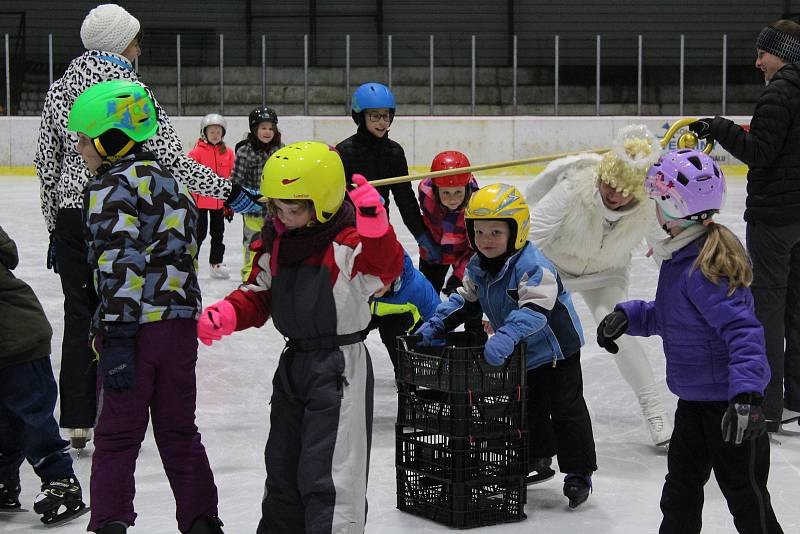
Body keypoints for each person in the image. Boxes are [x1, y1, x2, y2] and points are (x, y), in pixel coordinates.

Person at [33, 3, 262, 449]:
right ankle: (125, 408)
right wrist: (228, 191)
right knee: (127, 308)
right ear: (121, 43)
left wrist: (52, 228)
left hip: (69, 214)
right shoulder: (130, 88)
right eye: (135, 39)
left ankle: (78, 420)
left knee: (80, 315)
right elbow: (173, 161)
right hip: (124, 210)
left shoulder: (60, 88)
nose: (140, 48)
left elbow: (47, 163)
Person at [196, 141, 404, 533]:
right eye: (278, 208)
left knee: (329, 470)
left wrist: (376, 226)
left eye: (296, 209)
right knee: (284, 466)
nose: (285, 217)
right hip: (294, 367)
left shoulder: (348, 243)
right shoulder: (275, 243)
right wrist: (227, 313)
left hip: (338, 367)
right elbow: (259, 293)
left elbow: (385, 269)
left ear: (323, 201)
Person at [597, 148, 783, 534]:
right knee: (680, 490)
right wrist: (630, 315)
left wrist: (747, 396)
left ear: (676, 206)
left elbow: (744, 332)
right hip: (694, 405)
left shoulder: (705, 266)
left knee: (746, 497)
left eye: (659, 201)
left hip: (730, 410)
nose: (654, 210)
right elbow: (674, 317)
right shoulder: (681, 257)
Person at [67, 80, 223, 534]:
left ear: (109, 139)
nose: (79, 148)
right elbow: (185, 248)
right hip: (177, 328)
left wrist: (115, 337)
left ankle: (111, 522)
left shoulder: (109, 186)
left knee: (116, 437)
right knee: (179, 431)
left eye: (83, 139)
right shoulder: (172, 182)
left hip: (132, 330)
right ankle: (202, 522)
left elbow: (119, 265)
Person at [415, 183, 597, 509]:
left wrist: (506, 336)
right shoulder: (478, 265)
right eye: (480, 231)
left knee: (566, 409)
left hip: (557, 350)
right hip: (522, 352)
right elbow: (465, 300)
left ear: (517, 231)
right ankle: (538, 457)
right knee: (529, 408)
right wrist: (436, 323)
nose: (487, 240)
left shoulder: (533, 265)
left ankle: (578, 472)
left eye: (496, 232)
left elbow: (534, 312)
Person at [526, 124, 672, 448]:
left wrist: (686, 292)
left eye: (624, 189)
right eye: (609, 183)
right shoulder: (573, 189)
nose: (613, 193)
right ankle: (520, 409)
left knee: (615, 325)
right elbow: (531, 239)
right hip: (555, 267)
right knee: (529, 326)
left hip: (607, 272)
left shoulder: (650, 207)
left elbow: (666, 252)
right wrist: (519, 294)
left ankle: (653, 408)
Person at [688, 19, 800, 432]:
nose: (757, 63)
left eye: (762, 53)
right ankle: (797, 399)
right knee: (797, 309)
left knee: (768, 308)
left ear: (782, 53)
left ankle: (767, 406)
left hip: (775, 218)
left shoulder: (779, 92)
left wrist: (719, 127)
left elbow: (761, 152)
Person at [0, 225, 88, 527]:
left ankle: (63, 481)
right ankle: (4, 482)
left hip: (20, 340)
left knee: (32, 418)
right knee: (5, 423)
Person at [336, 82, 439, 260]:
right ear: (360, 117)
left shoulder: (394, 152)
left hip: (379, 228)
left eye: (385, 116)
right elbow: (337, 199)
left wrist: (421, 235)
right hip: (348, 233)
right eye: (374, 116)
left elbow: (405, 198)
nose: (382, 122)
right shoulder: (345, 151)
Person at [230, 106, 284, 282]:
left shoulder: (280, 149)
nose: (267, 132)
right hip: (254, 210)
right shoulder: (245, 151)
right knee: (253, 245)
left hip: (277, 210)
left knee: (277, 245)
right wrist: (235, 199)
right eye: (263, 128)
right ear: (254, 129)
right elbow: (236, 181)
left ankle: (275, 277)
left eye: (270, 128)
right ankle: (250, 278)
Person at [369, 251, 441, 370]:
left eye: (382, 278)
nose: (376, 284)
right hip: (366, 315)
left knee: (390, 330)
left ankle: (405, 375)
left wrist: (439, 357)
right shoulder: (355, 282)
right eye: (370, 277)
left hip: (402, 318)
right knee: (347, 332)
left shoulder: (415, 286)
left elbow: (437, 318)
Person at [188, 113, 235, 280]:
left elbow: (231, 177)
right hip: (200, 202)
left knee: (218, 234)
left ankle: (216, 263)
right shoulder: (196, 152)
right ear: (204, 133)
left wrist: (229, 202)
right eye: (212, 131)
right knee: (198, 233)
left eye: (218, 131)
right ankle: (191, 263)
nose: (215, 135)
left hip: (219, 202)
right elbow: (189, 176)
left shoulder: (228, 153)